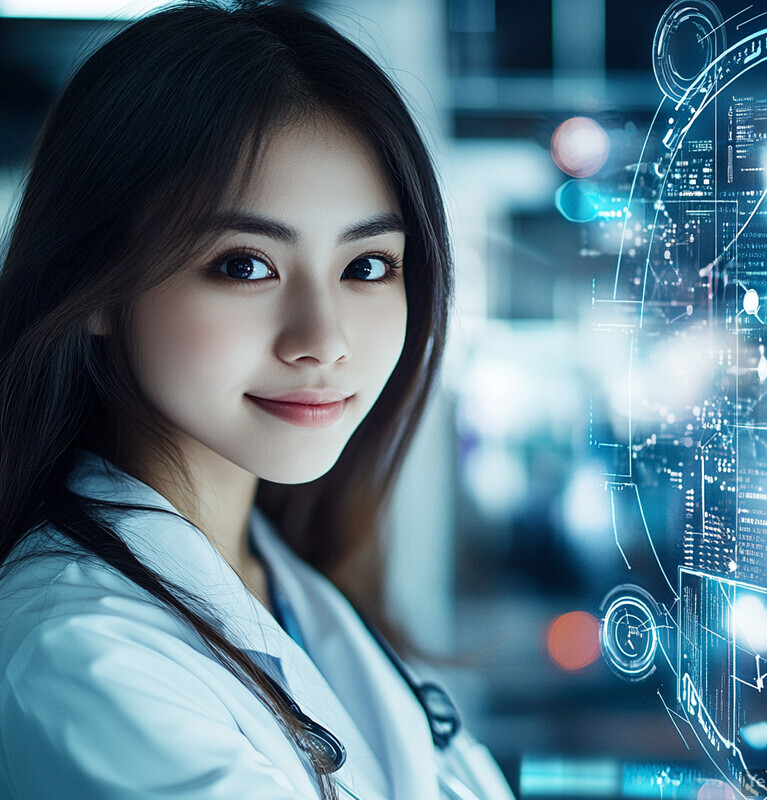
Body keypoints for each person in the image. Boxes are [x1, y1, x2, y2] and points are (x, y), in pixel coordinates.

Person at [0, 2, 516, 798]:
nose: (324, 338)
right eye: (245, 264)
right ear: (95, 284)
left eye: (368, 266)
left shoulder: (289, 583)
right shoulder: (79, 655)